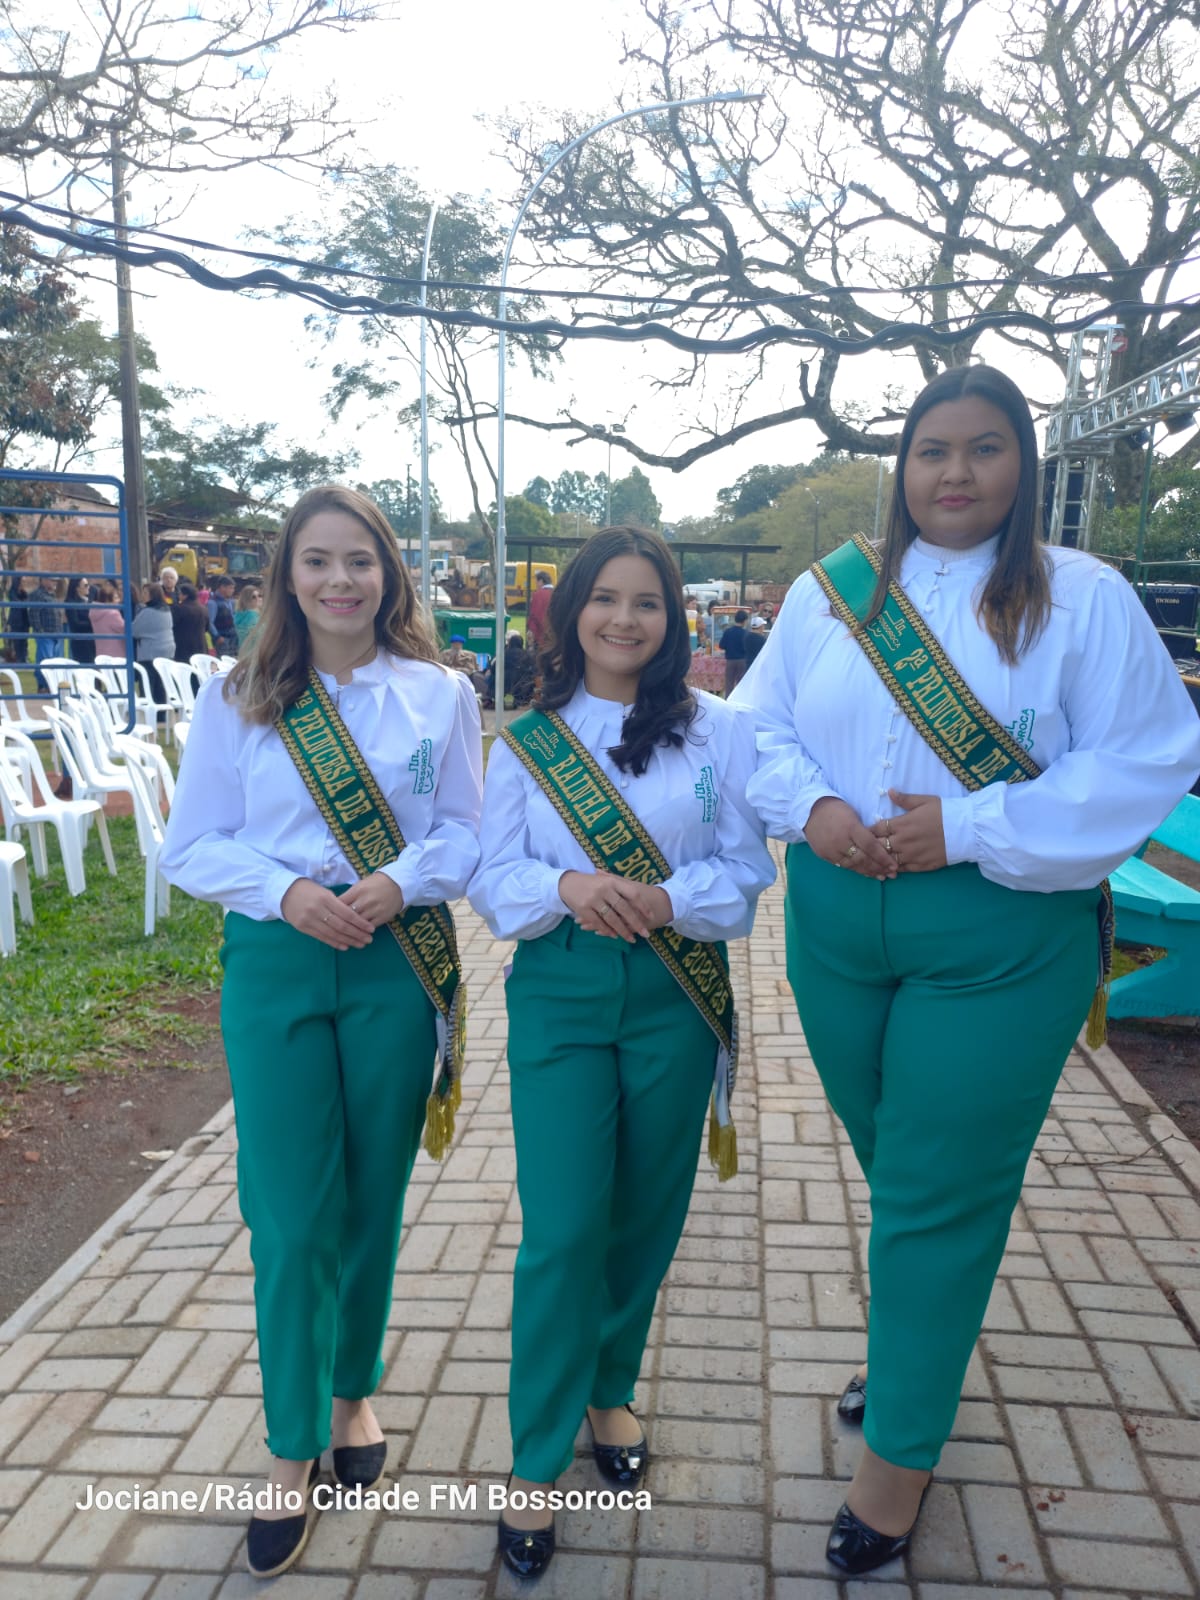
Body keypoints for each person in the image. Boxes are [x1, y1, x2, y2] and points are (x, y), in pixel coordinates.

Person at [733, 364, 1200, 1577]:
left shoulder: (1083, 597)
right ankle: (916, 1355)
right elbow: (754, 725)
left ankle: (898, 1458)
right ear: (902, 466)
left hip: (999, 935)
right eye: (932, 449)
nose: (954, 472)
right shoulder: (830, 593)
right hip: (836, 928)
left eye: (985, 448)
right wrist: (813, 804)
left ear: (1024, 465)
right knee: (902, 1169)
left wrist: (970, 825)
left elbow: (1145, 760)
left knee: (939, 1190)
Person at [161, 485, 482, 1579]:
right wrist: (287, 892)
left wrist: (400, 880)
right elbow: (192, 845)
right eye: (318, 562)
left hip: (395, 958)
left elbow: (465, 830)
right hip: (280, 960)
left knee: (370, 1199)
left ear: (389, 573)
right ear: (287, 578)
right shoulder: (240, 694)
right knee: (292, 1214)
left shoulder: (441, 695)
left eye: (360, 561)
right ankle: (292, 1442)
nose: (340, 581)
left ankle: (353, 1392)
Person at [469, 525, 774, 1579]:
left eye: (647, 601)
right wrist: (567, 885)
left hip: (675, 992)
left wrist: (669, 899)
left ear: (672, 616)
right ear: (570, 612)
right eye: (604, 598)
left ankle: (610, 1387)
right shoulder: (529, 738)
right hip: (560, 992)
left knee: (645, 1214)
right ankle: (535, 1458)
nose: (624, 619)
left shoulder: (720, 733)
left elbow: (747, 869)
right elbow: (492, 877)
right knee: (563, 1231)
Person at [131, 582, 175, 704]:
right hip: (167, 651)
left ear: (153, 595)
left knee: (148, 686)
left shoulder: (147, 612)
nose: (142, 595)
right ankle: (162, 711)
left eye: (146, 593)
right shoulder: (166, 609)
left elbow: (134, 630)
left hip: (150, 653)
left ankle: (150, 709)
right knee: (161, 685)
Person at [29, 576, 65, 689]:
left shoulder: (51, 595)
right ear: (43, 580)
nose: (55, 583)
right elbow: (34, 614)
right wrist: (40, 631)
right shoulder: (38, 595)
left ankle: (50, 685)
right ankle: (43, 686)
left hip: (56, 633)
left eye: (55, 581)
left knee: (54, 661)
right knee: (45, 661)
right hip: (46, 634)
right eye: (52, 580)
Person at [172, 580, 211, 663]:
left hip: (183, 646)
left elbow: (173, 625)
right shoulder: (203, 608)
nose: (178, 595)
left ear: (185, 595)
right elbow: (207, 628)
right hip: (201, 645)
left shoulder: (179, 608)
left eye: (180, 593)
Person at [88, 582, 126, 657]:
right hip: (116, 654)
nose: (119, 601)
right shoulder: (113, 614)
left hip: (101, 653)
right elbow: (125, 629)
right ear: (108, 600)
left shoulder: (95, 611)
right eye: (116, 598)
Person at [64, 576, 96, 664]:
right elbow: (75, 624)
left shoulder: (88, 601)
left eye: (88, 584)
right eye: (85, 585)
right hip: (81, 642)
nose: (88, 587)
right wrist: (93, 624)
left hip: (92, 640)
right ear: (77, 588)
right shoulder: (71, 602)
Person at [719, 608, 749, 695]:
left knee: (729, 684)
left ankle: (728, 699)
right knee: (741, 683)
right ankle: (739, 699)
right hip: (742, 661)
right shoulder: (746, 633)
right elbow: (747, 648)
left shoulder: (728, 632)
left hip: (730, 661)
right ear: (744, 621)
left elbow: (721, 645)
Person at [208, 575, 240, 655]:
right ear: (222, 587)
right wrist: (217, 636)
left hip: (233, 638)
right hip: (222, 639)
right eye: (231, 588)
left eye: (233, 588)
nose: (233, 591)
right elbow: (210, 622)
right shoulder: (213, 603)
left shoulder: (230, 601)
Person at [526, 568, 554, 650]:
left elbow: (535, 615)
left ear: (541, 581)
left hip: (540, 635)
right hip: (555, 635)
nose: (536, 585)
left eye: (537, 582)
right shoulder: (558, 593)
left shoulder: (537, 594)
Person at [235, 583, 263, 655]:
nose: (258, 599)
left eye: (259, 596)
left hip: (243, 652)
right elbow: (260, 637)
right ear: (247, 599)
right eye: (253, 597)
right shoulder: (252, 616)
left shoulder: (239, 614)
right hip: (254, 653)